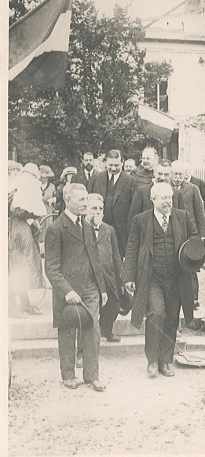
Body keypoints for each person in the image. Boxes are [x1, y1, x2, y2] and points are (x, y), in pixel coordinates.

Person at [124, 183, 197, 378]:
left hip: (176, 277)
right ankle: (152, 360)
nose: (168, 202)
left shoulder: (183, 217)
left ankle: (166, 361)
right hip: (152, 277)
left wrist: (194, 258)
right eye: (163, 198)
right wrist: (129, 276)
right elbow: (131, 248)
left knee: (172, 317)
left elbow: (195, 242)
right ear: (152, 199)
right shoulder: (141, 220)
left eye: (170, 198)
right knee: (156, 313)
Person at [45, 183, 107, 391]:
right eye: (81, 200)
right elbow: (51, 269)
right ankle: (68, 375)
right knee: (67, 332)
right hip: (68, 291)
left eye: (86, 199)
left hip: (90, 289)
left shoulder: (87, 225)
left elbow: (95, 259)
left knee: (93, 330)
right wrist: (67, 291)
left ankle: (92, 376)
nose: (85, 204)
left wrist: (102, 289)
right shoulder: (56, 229)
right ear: (67, 200)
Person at [76, 193, 124, 371]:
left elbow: (116, 256)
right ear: (86, 210)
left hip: (108, 277)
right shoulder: (80, 228)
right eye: (93, 208)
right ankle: (81, 352)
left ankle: (107, 329)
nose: (97, 212)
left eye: (100, 209)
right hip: (89, 280)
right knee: (89, 316)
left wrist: (122, 278)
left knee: (113, 305)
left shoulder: (108, 230)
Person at [8, 163, 47, 318]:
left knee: (24, 267)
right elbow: (15, 210)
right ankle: (11, 308)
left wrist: (32, 221)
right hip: (15, 233)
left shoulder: (22, 188)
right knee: (15, 269)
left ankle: (25, 304)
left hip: (21, 231)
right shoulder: (15, 191)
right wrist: (31, 218)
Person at [171, 160, 205, 309]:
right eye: (175, 174)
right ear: (171, 174)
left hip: (189, 232)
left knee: (191, 265)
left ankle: (193, 298)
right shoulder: (166, 189)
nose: (178, 177)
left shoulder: (193, 189)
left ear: (185, 175)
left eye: (181, 174)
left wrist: (201, 234)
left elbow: (200, 211)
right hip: (173, 231)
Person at [88, 149, 137, 258]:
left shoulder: (131, 181)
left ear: (122, 162)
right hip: (98, 228)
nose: (113, 168)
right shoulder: (96, 178)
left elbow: (133, 210)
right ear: (105, 162)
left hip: (121, 232)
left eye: (116, 165)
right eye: (110, 165)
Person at [128, 159, 184, 228]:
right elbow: (133, 220)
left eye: (166, 174)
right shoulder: (141, 192)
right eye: (160, 174)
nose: (162, 177)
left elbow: (182, 220)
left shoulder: (177, 194)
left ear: (171, 175)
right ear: (154, 172)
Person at [39, 165, 56, 245]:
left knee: (48, 230)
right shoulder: (36, 185)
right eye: (42, 177)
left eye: (46, 177)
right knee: (39, 229)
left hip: (48, 212)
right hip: (38, 211)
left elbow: (56, 199)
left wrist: (53, 200)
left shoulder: (52, 187)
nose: (44, 179)